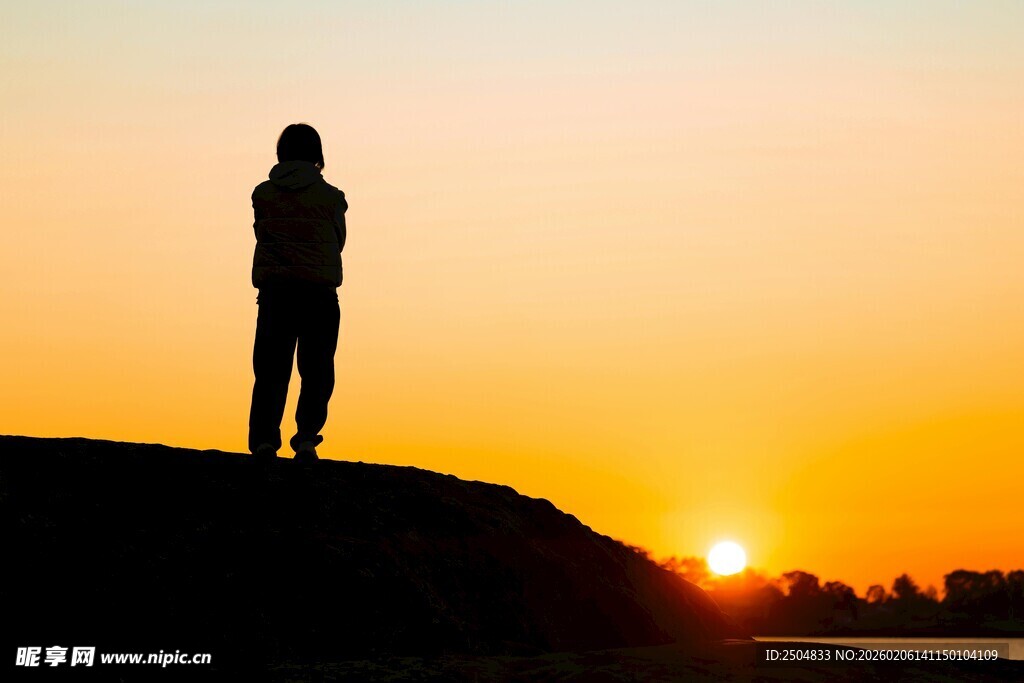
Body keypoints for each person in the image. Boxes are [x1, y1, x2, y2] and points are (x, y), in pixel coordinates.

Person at [247, 123, 347, 463]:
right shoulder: (332, 198)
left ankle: (263, 441)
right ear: (317, 155)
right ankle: (306, 439)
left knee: (271, 371)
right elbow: (339, 243)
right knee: (317, 371)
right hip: (319, 294)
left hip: (276, 294)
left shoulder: (262, 195)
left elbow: (263, 233)